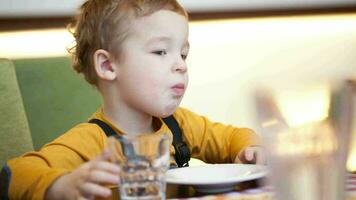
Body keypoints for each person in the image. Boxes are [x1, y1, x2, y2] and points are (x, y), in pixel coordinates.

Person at [1, 0, 265, 199]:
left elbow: (234, 137)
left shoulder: (179, 124)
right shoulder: (92, 140)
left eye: (183, 54)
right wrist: (61, 186)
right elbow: (15, 173)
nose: (181, 66)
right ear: (108, 65)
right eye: (161, 51)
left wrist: (251, 150)